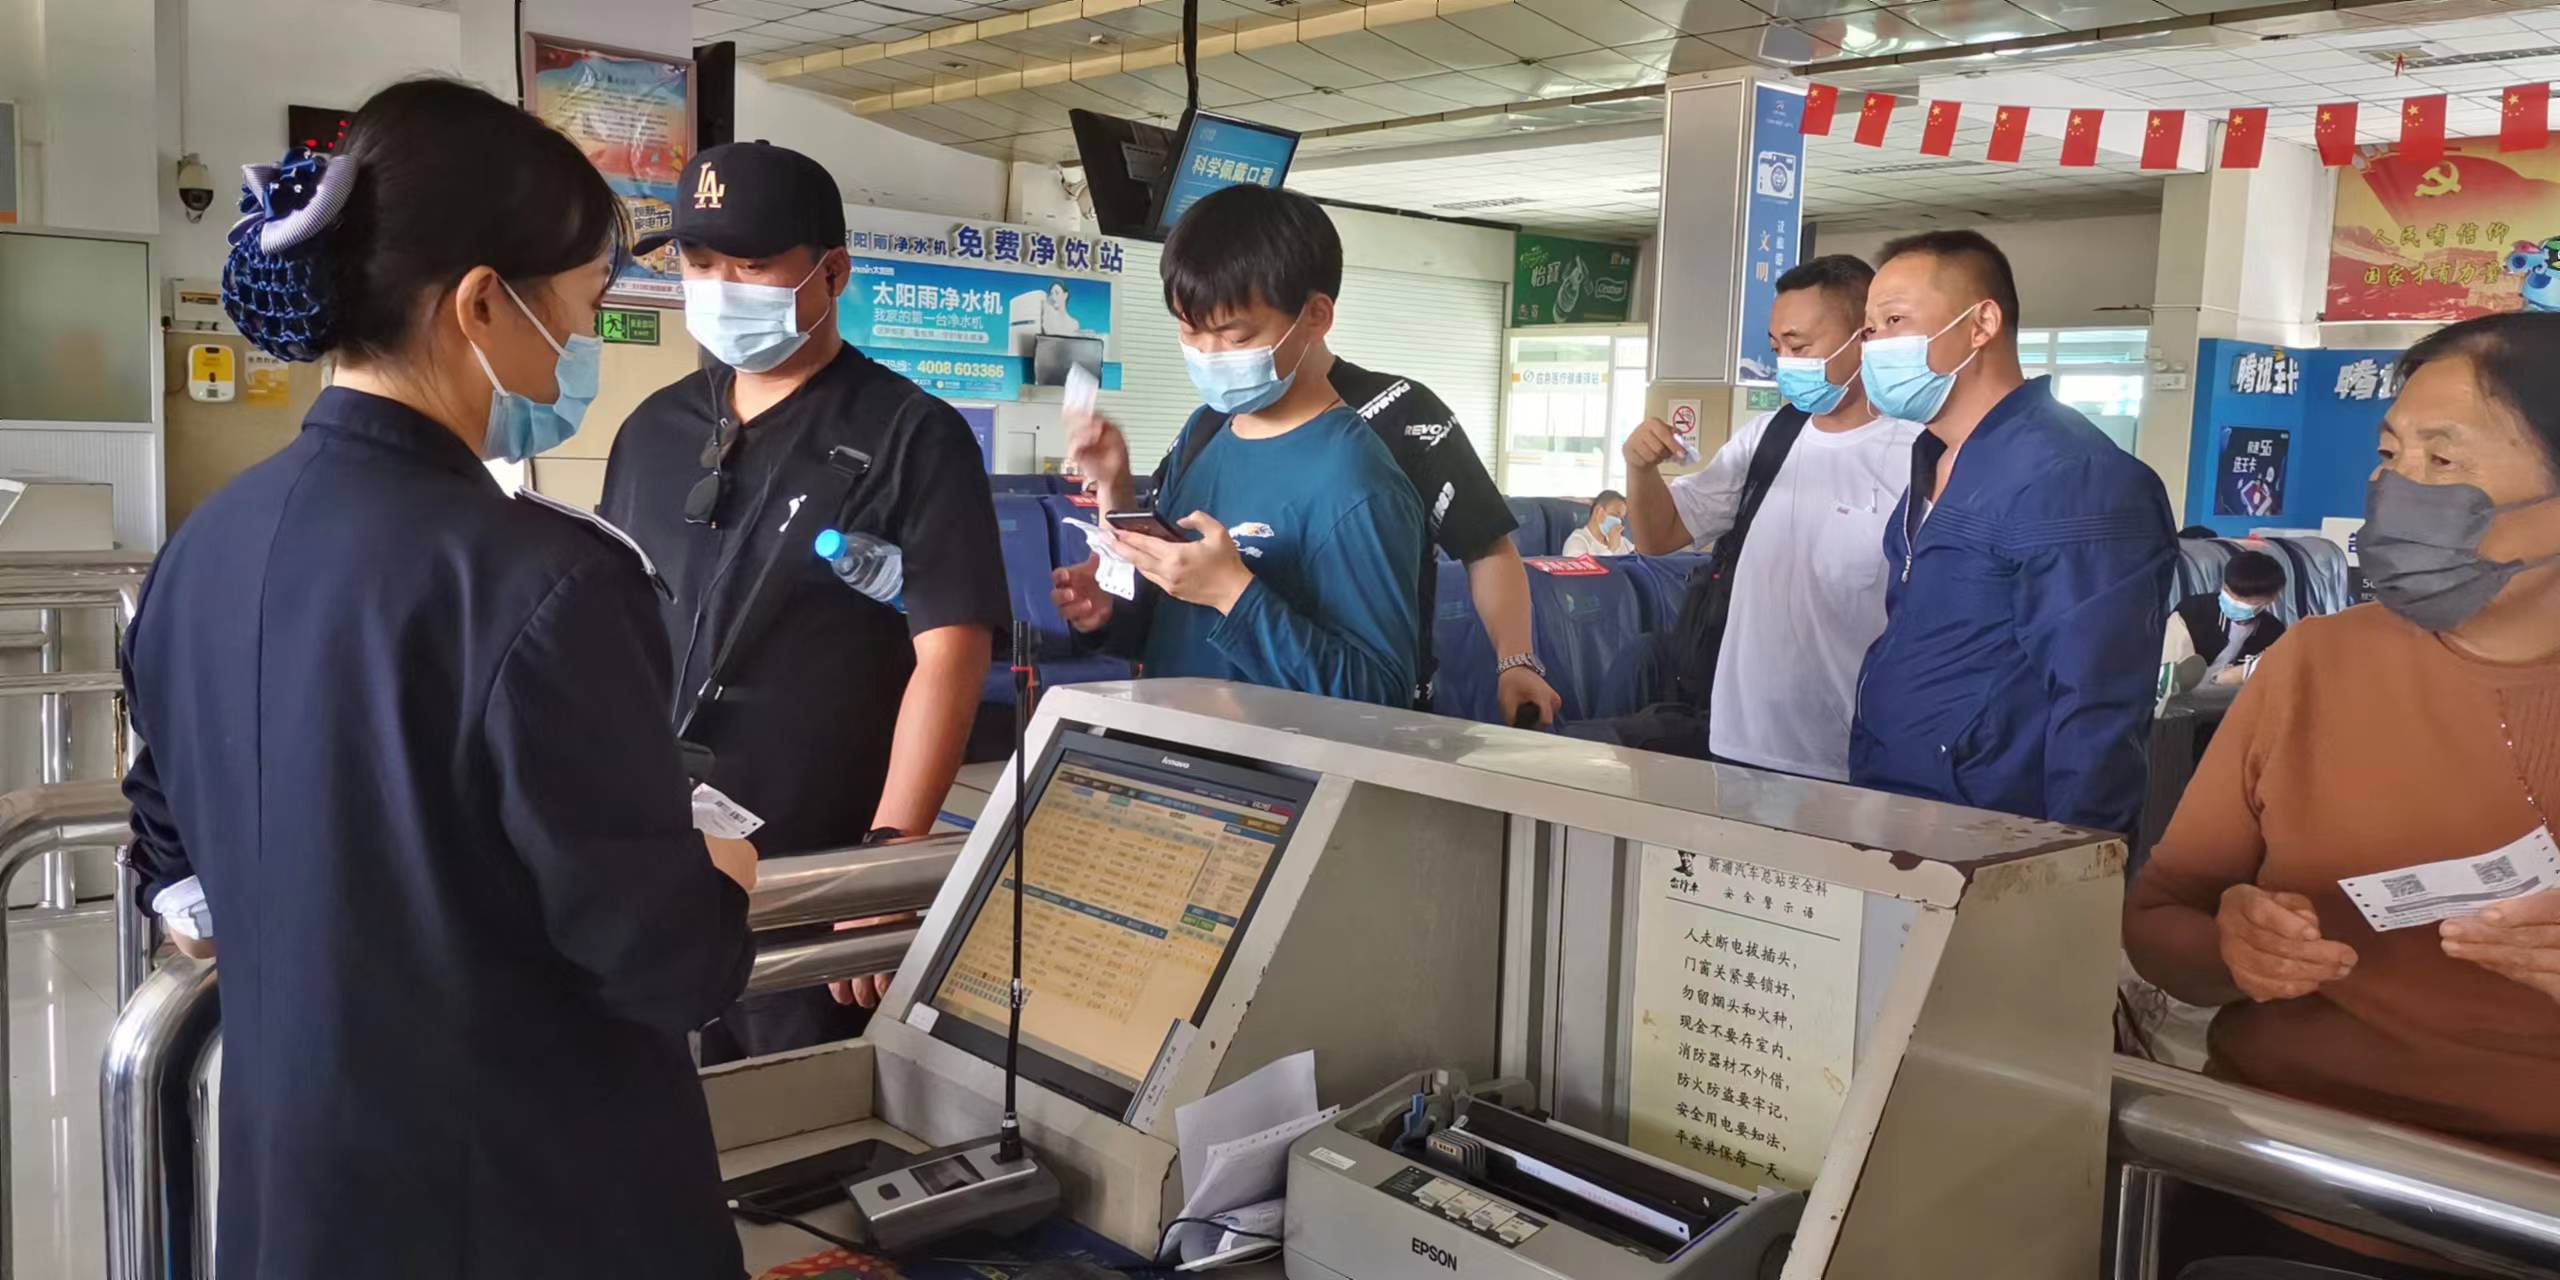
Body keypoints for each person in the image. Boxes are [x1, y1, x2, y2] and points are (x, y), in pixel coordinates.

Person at [120, 80, 756, 1278]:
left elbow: (182, 887)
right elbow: (662, 959)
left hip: (294, 1191)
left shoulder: (202, 549)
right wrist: (719, 876)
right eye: (583, 305)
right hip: (526, 1206)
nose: (581, 345)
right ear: (481, 303)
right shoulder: (545, 581)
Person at [2125, 312, 2560, 1279]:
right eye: (2391, 453)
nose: (2396, 491)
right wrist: (2231, 950)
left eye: (2444, 460)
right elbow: (2160, 921)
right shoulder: (2315, 664)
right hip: (2286, 1185)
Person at [599, 142, 1011, 1053]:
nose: (719, 288)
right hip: (659, 859)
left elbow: (951, 650)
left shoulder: (912, 436)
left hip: (819, 875)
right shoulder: (651, 429)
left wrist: (890, 857)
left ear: (833, 272)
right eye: (699, 262)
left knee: (802, 1108)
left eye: (751, 265)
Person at [1848, 230, 2175, 834]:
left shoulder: (2075, 478)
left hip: (1995, 828)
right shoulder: (1933, 460)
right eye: (1870, 330)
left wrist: (2078, 861)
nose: (1875, 346)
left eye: (1895, 320)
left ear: (1982, 324)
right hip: (1902, 804)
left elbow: (2097, 701)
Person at [1053, 184, 1423, 706]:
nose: (1209, 354)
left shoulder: (1357, 483)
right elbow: (1175, 627)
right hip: (1171, 744)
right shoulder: (1205, 431)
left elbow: (1379, 697)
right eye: (1190, 331)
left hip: (1272, 759)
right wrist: (1109, 605)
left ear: (1315, 316)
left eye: (1236, 337)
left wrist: (1233, 591)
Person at [1622, 254, 1922, 780]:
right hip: (1738, 742)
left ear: (1864, 338)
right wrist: (1640, 470)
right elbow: (1658, 536)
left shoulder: (1919, 453)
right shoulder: (1767, 440)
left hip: (1852, 758)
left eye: (1799, 347)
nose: (1786, 363)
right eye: (1777, 347)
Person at [1328, 358, 1563, 725]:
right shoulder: (1227, 423)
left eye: (1243, 335)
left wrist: (1515, 661)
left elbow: (1484, 544)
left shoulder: (1403, 411)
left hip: (1382, 712)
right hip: (1243, 701)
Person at [2174, 548, 2289, 688]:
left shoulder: (2273, 632)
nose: (2234, 601)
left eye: (2245, 599)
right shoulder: (2192, 611)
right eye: (2228, 591)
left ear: (2271, 599)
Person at [1560, 490, 1634, 558]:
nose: (1619, 522)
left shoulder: (1622, 542)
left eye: (1621, 518)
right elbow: (1583, 568)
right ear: (1598, 511)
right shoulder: (1577, 541)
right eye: (1615, 515)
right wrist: (1612, 548)